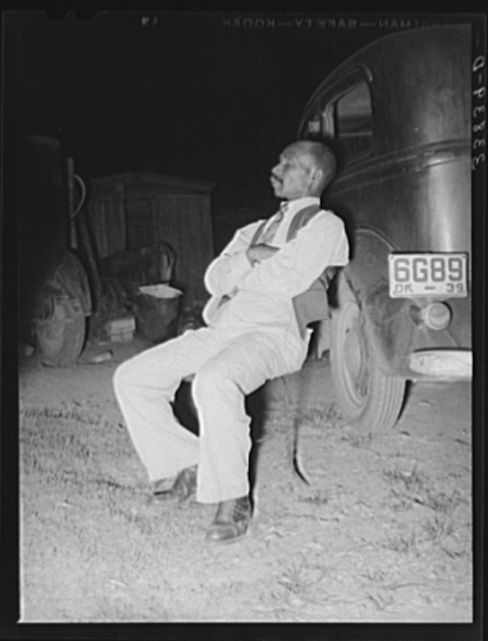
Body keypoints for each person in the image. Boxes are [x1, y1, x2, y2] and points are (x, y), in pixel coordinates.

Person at [113, 140, 349, 544]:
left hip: (275, 334)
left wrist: (247, 269)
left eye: (288, 163)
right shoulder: (253, 231)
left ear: (313, 175)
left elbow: (286, 282)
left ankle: (233, 498)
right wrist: (255, 254)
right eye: (278, 160)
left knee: (215, 380)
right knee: (134, 377)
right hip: (224, 330)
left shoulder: (326, 227)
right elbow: (214, 280)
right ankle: (186, 463)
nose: (276, 167)